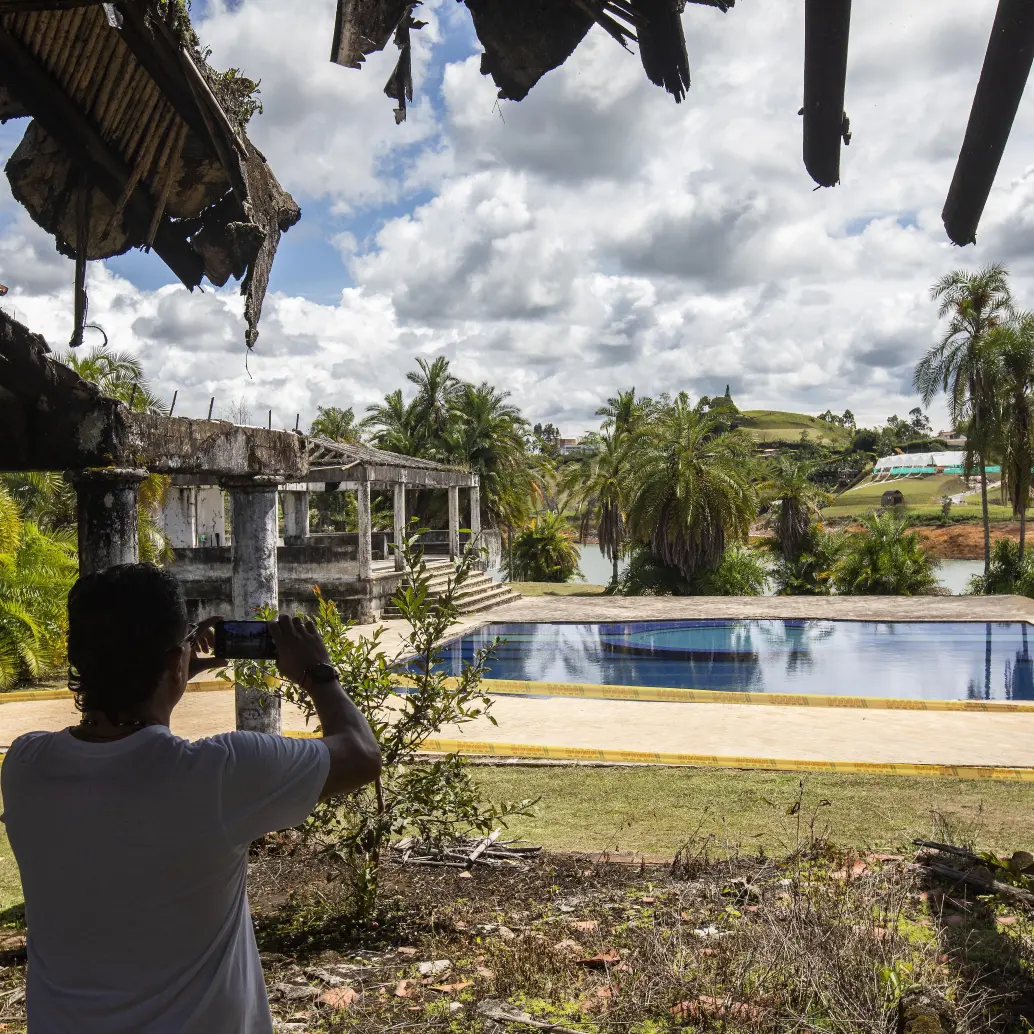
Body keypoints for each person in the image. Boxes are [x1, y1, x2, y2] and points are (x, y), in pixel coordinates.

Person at [1, 563, 381, 1033]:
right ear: (170, 663)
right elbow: (362, 754)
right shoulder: (221, 774)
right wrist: (318, 673)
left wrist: (174, 666)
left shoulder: (25, 766)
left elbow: (131, 744)